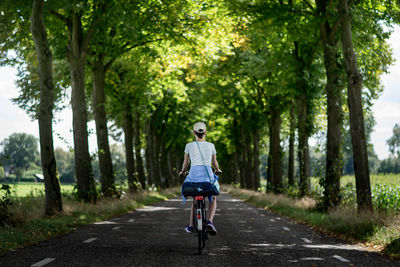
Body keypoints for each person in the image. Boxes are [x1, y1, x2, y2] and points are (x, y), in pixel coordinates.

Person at [179, 122, 222, 235]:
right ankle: (210, 221)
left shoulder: (189, 146)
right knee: (213, 197)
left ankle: (191, 226)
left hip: (193, 177)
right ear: (205, 133)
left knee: (195, 199)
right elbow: (214, 162)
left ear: (194, 133)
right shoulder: (211, 145)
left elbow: (186, 162)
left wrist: (183, 172)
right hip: (207, 177)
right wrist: (217, 169)